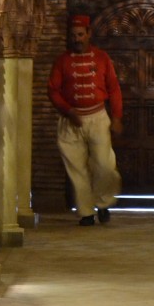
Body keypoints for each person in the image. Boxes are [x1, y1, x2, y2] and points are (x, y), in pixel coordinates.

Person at [47, 14, 123, 226]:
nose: (77, 39)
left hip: (98, 117)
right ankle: (86, 212)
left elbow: (114, 89)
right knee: (76, 168)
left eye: (81, 35)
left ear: (89, 34)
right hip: (70, 121)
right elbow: (53, 90)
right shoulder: (62, 61)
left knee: (104, 165)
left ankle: (104, 202)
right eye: (73, 36)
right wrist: (68, 110)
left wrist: (116, 117)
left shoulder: (102, 58)